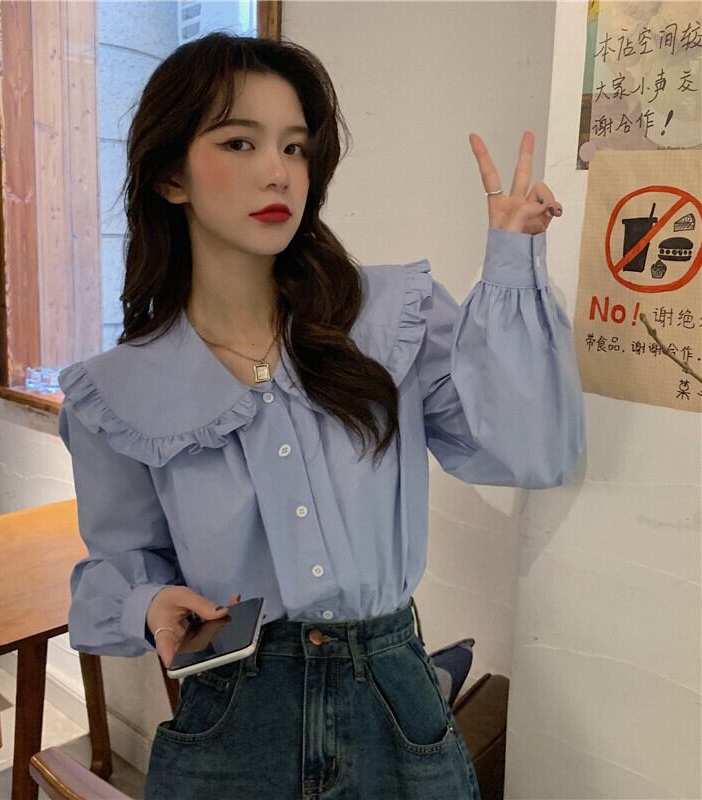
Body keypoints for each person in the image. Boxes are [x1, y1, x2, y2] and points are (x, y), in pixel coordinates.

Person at [57, 31, 585, 800]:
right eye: (240, 142)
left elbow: (530, 452)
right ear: (171, 176)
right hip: (233, 711)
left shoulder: (392, 317)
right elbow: (119, 562)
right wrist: (149, 603)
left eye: (296, 147)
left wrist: (510, 268)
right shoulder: (119, 391)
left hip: (393, 701)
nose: (278, 171)